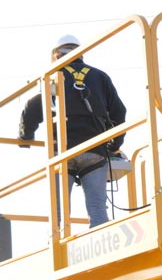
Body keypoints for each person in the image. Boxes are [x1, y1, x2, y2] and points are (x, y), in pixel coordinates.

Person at [19, 34, 127, 229]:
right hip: (94, 150)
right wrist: (115, 144)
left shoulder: (52, 76)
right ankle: (101, 248)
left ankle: (58, 248)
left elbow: (32, 108)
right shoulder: (99, 77)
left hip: (62, 152)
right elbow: (120, 112)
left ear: (56, 55)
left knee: (59, 213)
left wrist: (25, 138)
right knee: (97, 209)